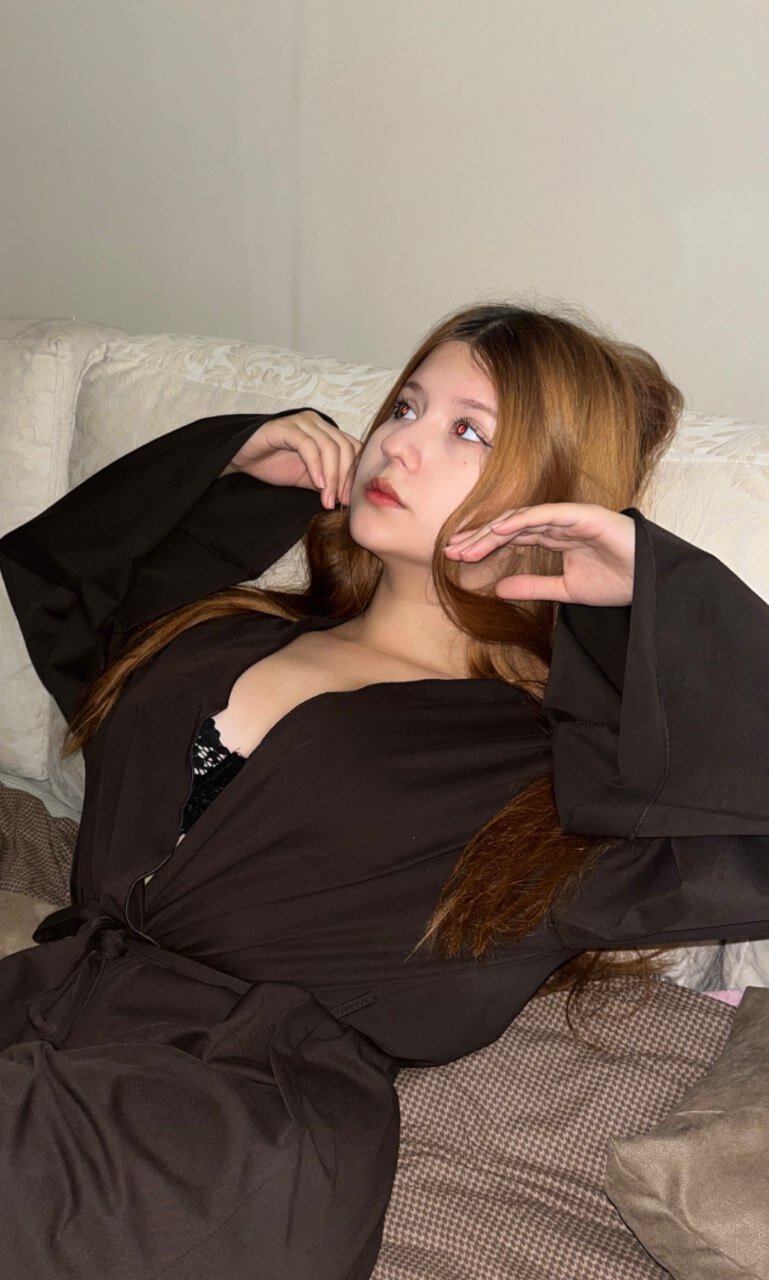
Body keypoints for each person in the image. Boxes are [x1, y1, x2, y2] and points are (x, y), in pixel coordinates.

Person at [0, 302, 766, 1280]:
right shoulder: (224, 629)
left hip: (214, 1131)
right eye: (404, 406)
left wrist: (655, 588)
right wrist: (232, 475)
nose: (398, 441)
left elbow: (744, 851)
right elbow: (64, 582)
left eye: (468, 430)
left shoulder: (539, 775)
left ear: (551, 501)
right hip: (46, 1014)